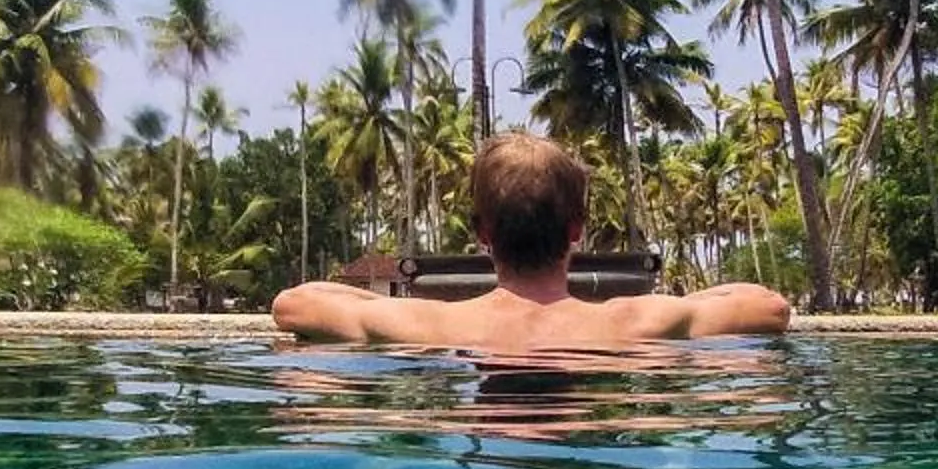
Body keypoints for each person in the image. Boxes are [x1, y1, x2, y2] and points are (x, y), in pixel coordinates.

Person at [272, 133, 792, 348]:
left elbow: (294, 305)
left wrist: (377, 298)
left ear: (482, 234)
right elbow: (769, 309)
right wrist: (681, 302)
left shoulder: (430, 323)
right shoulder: (634, 322)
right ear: (576, 230)